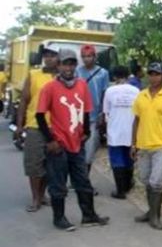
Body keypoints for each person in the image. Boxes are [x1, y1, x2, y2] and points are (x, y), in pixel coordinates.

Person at [36, 48, 109, 231]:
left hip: (77, 144)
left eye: (71, 63)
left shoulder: (82, 85)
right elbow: (39, 115)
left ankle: (89, 216)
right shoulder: (50, 87)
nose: (68, 67)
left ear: (75, 65)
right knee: (58, 184)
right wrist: (50, 140)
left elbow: (85, 110)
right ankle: (59, 218)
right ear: (58, 66)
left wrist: (85, 132)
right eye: (64, 63)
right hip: (59, 144)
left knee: (83, 182)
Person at [131, 62, 162, 230]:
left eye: (157, 74)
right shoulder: (141, 95)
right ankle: (150, 210)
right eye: (151, 74)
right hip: (143, 145)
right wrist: (133, 144)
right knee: (146, 180)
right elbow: (136, 120)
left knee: (157, 181)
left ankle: (155, 216)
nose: (153, 77)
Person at [16, 46, 59, 212]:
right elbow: (24, 101)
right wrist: (20, 125)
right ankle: (35, 198)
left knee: (50, 165)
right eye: (46, 56)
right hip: (35, 126)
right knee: (34, 164)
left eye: (53, 55)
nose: (49, 59)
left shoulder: (63, 77)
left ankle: (42, 195)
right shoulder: (33, 75)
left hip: (56, 127)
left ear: (58, 58)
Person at [102, 65, 140, 199]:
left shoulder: (110, 91)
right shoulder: (136, 90)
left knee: (117, 159)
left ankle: (120, 190)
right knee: (129, 157)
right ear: (128, 75)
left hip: (115, 130)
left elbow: (105, 112)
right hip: (132, 130)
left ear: (114, 77)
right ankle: (128, 184)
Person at [76, 44, 110, 175]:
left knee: (89, 150)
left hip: (94, 117)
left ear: (95, 57)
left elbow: (104, 94)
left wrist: (103, 114)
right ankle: (76, 180)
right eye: (84, 56)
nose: (87, 59)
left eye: (89, 56)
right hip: (77, 117)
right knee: (76, 150)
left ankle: (85, 180)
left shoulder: (103, 73)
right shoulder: (77, 72)